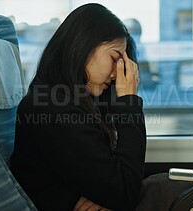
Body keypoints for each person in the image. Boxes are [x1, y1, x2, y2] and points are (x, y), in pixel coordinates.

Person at [10, 3, 147, 211]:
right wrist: (128, 100)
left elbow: (117, 185)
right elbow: (125, 193)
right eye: (114, 59)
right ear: (84, 46)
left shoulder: (78, 100)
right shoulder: (51, 108)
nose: (116, 73)